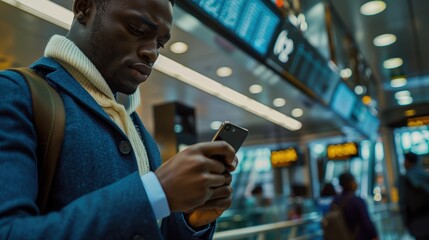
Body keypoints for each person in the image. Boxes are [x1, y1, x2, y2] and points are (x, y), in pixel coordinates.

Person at [0, 0, 238, 239]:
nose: (152, 53)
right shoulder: (15, 94)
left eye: (160, 44)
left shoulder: (137, 130)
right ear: (83, 8)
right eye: (137, 30)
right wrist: (155, 193)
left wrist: (190, 222)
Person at [330, 172, 378, 240]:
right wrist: (374, 236)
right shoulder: (357, 201)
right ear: (351, 183)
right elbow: (366, 223)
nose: (356, 183)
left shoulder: (335, 201)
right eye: (354, 181)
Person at [398, 152, 429, 239]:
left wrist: (406, 223)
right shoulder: (425, 176)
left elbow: (404, 203)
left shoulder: (405, 179)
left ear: (407, 162)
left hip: (417, 223)